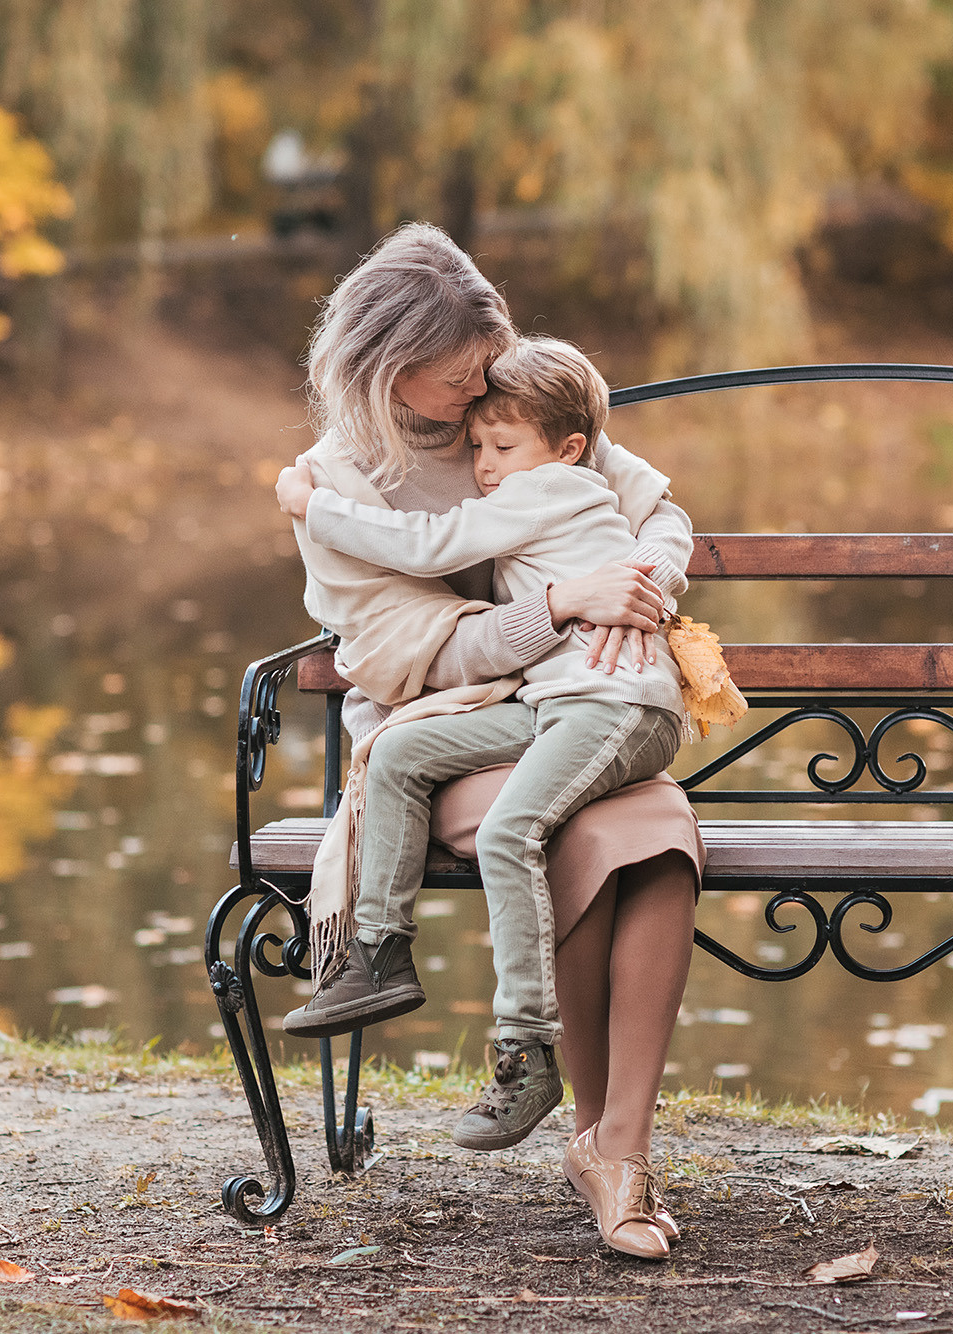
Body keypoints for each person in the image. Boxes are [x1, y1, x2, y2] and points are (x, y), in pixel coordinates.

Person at [274, 223, 698, 1260]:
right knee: (576, 829)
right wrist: (558, 603)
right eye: (459, 380)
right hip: (444, 724)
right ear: (387, 361)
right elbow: (404, 651)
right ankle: (570, 1111)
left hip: (578, 702)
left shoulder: (514, 414)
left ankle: (615, 1148)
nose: (479, 399)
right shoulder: (340, 478)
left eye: (485, 374)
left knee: (662, 836)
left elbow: (656, 508)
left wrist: (639, 584)